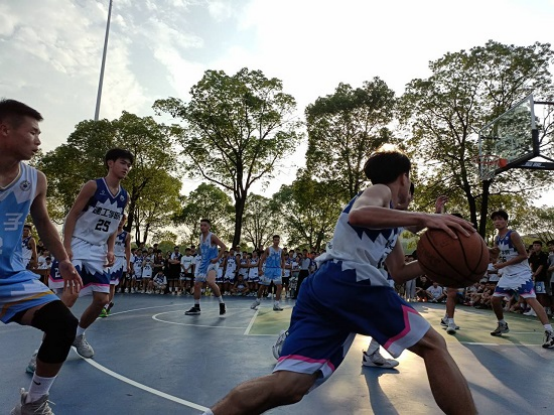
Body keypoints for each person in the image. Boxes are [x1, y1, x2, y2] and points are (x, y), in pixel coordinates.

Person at [203, 147, 477, 415]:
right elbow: (361, 214)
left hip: (327, 287)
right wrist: (428, 217)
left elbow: (398, 272)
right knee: (433, 345)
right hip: (350, 281)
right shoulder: (380, 191)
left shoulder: (390, 226)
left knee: (290, 385)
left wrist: (436, 264)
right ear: (404, 177)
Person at [1, 99, 82, 414]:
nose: (38, 140)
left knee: (63, 324)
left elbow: (44, 222)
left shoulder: (34, 180)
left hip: (10, 276)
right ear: (5, 130)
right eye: (33, 132)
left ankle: (33, 404)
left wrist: (63, 260)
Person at [48, 148, 133, 358]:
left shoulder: (124, 197)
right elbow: (72, 215)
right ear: (110, 163)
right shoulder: (94, 186)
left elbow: (113, 226)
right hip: (78, 243)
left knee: (102, 299)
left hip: (98, 249)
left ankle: (78, 335)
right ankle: (43, 349)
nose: (126, 167)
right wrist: (67, 246)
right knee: (71, 294)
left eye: (129, 165)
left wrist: (110, 249)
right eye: (123, 162)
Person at [489, 210, 553, 349]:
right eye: (495, 219)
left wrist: (503, 264)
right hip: (508, 274)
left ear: (506, 221)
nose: (497, 221)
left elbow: (524, 255)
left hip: (521, 274)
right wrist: (488, 252)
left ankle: (550, 332)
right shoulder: (497, 238)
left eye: (500, 218)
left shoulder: (513, 235)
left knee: (532, 300)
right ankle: (502, 324)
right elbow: (497, 253)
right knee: (494, 299)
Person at [185, 219, 227, 316]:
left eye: (204, 225)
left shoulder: (212, 236)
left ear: (209, 227)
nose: (202, 227)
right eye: (201, 225)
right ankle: (196, 307)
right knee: (197, 284)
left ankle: (221, 303)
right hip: (203, 263)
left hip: (212, 262)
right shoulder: (200, 237)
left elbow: (223, 247)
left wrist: (217, 258)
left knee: (210, 282)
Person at [100, 214, 130, 317]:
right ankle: (107, 303)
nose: (120, 222)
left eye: (123, 220)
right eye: (119, 219)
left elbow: (128, 250)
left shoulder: (126, 235)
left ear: (125, 221)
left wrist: (128, 264)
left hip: (119, 261)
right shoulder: (108, 232)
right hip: (107, 259)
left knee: (112, 284)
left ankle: (105, 306)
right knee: (104, 283)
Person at [251, 235, 285, 311]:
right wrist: (260, 269)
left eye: (278, 240)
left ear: (279, 241)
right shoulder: (268, 249)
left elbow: (283, 260)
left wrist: (283, 270)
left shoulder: (281, 251)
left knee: (279, 286)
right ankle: (257, 300)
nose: (276, 241)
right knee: (263, 286)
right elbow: (262, 259)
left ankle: (276, 304)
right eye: (275, 240)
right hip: (269, 269)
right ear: (273, 241)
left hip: (277, 269)